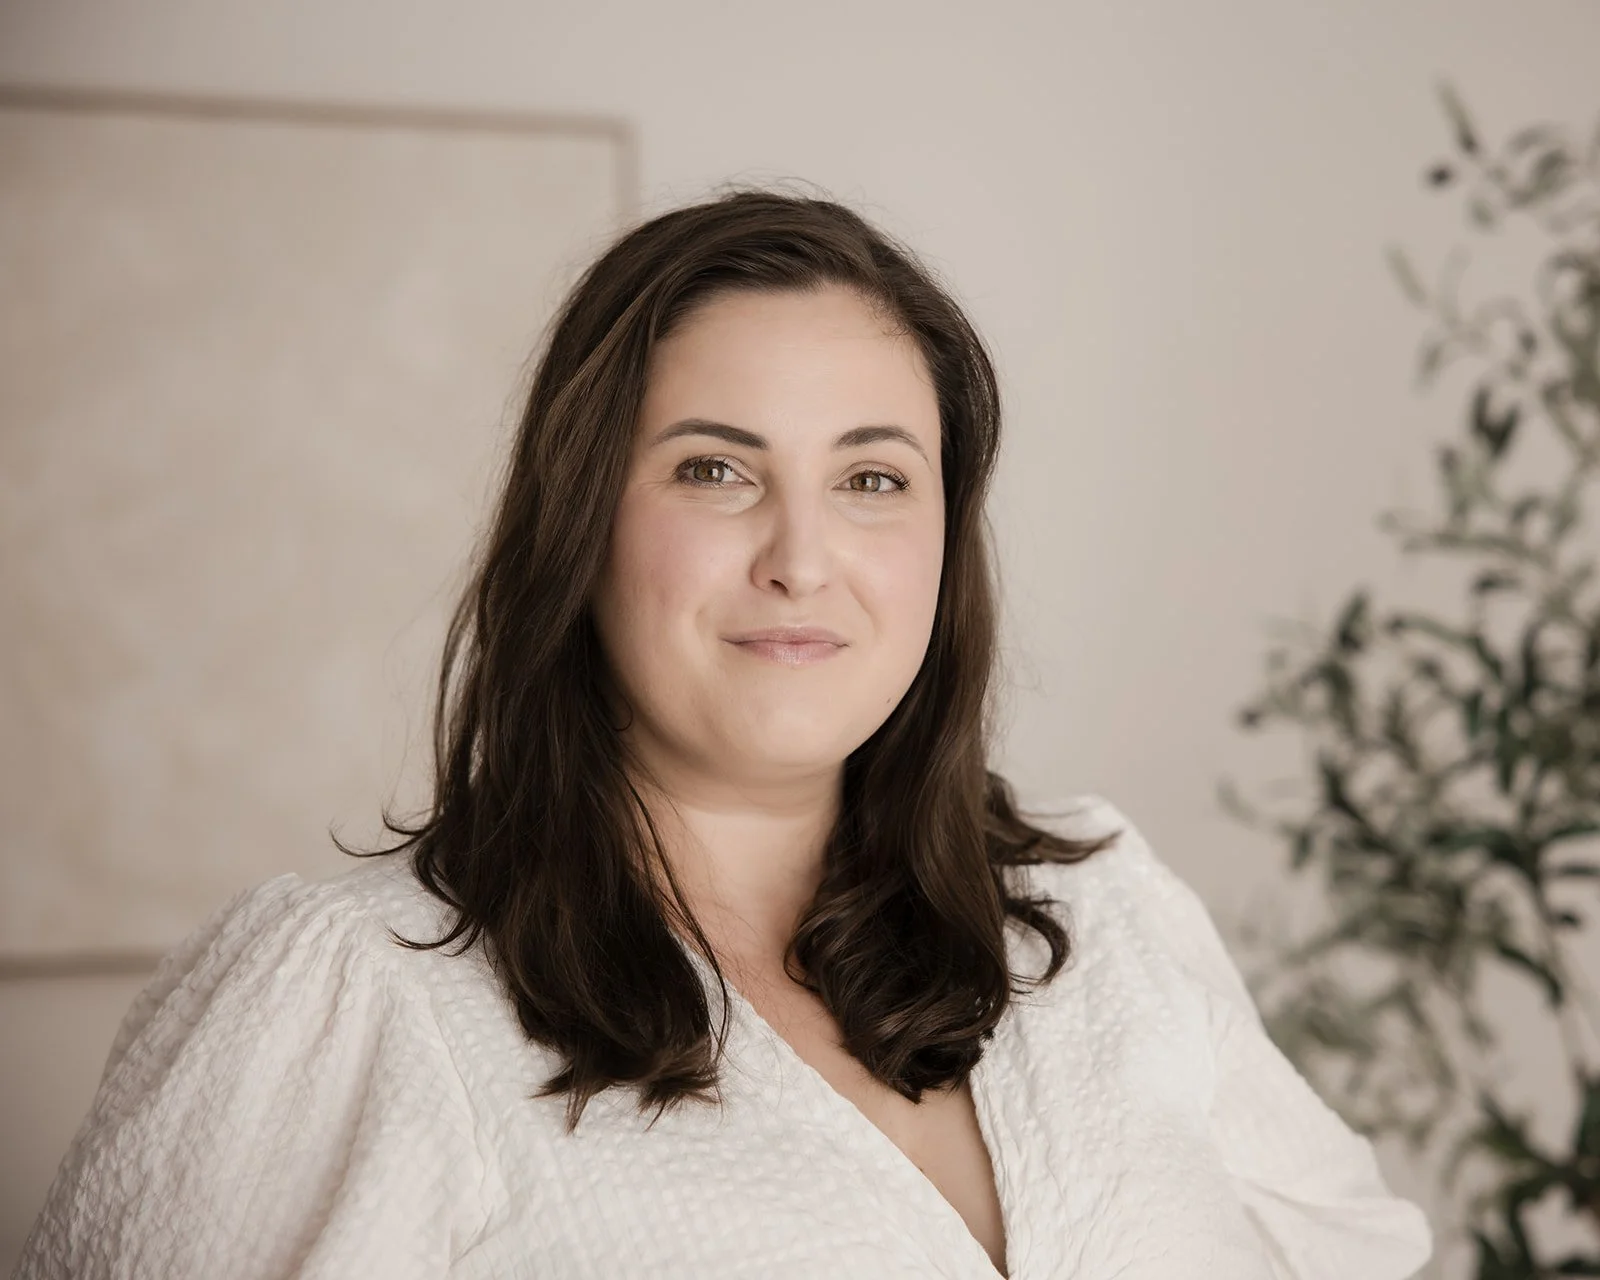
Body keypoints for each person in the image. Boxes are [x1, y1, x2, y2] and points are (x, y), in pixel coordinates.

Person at [14, 189, 1433, 1280]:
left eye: (873, 479)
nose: (801, 559)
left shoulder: (1103, 915)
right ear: (581, 527)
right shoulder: (355, 1002)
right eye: (715, 470)